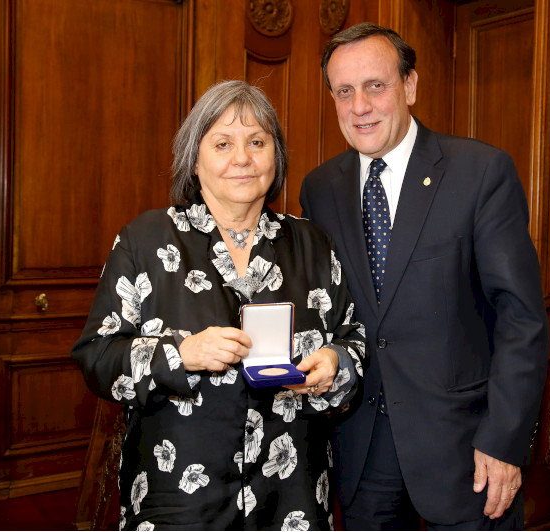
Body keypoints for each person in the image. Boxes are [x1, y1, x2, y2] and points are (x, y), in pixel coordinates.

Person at [72, 80, 366, 530]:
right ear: (194, 160)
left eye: (257, 142)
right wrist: (180, 353)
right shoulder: (146, 241)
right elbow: (96, 356)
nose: (242, 158)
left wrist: (335, 362)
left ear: (276, 156)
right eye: (223, 143)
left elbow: (354, 339)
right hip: (179, 497)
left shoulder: (311, 243)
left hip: (292, 494)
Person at [299, 23, 549, 530]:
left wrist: (503, 442)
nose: (360, 106)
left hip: (465, 454)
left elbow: (520, 318)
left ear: (409, 86)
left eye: (375, 85)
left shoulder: (480, 172)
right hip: (361, 452)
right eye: (344, 91)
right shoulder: (319, 189)